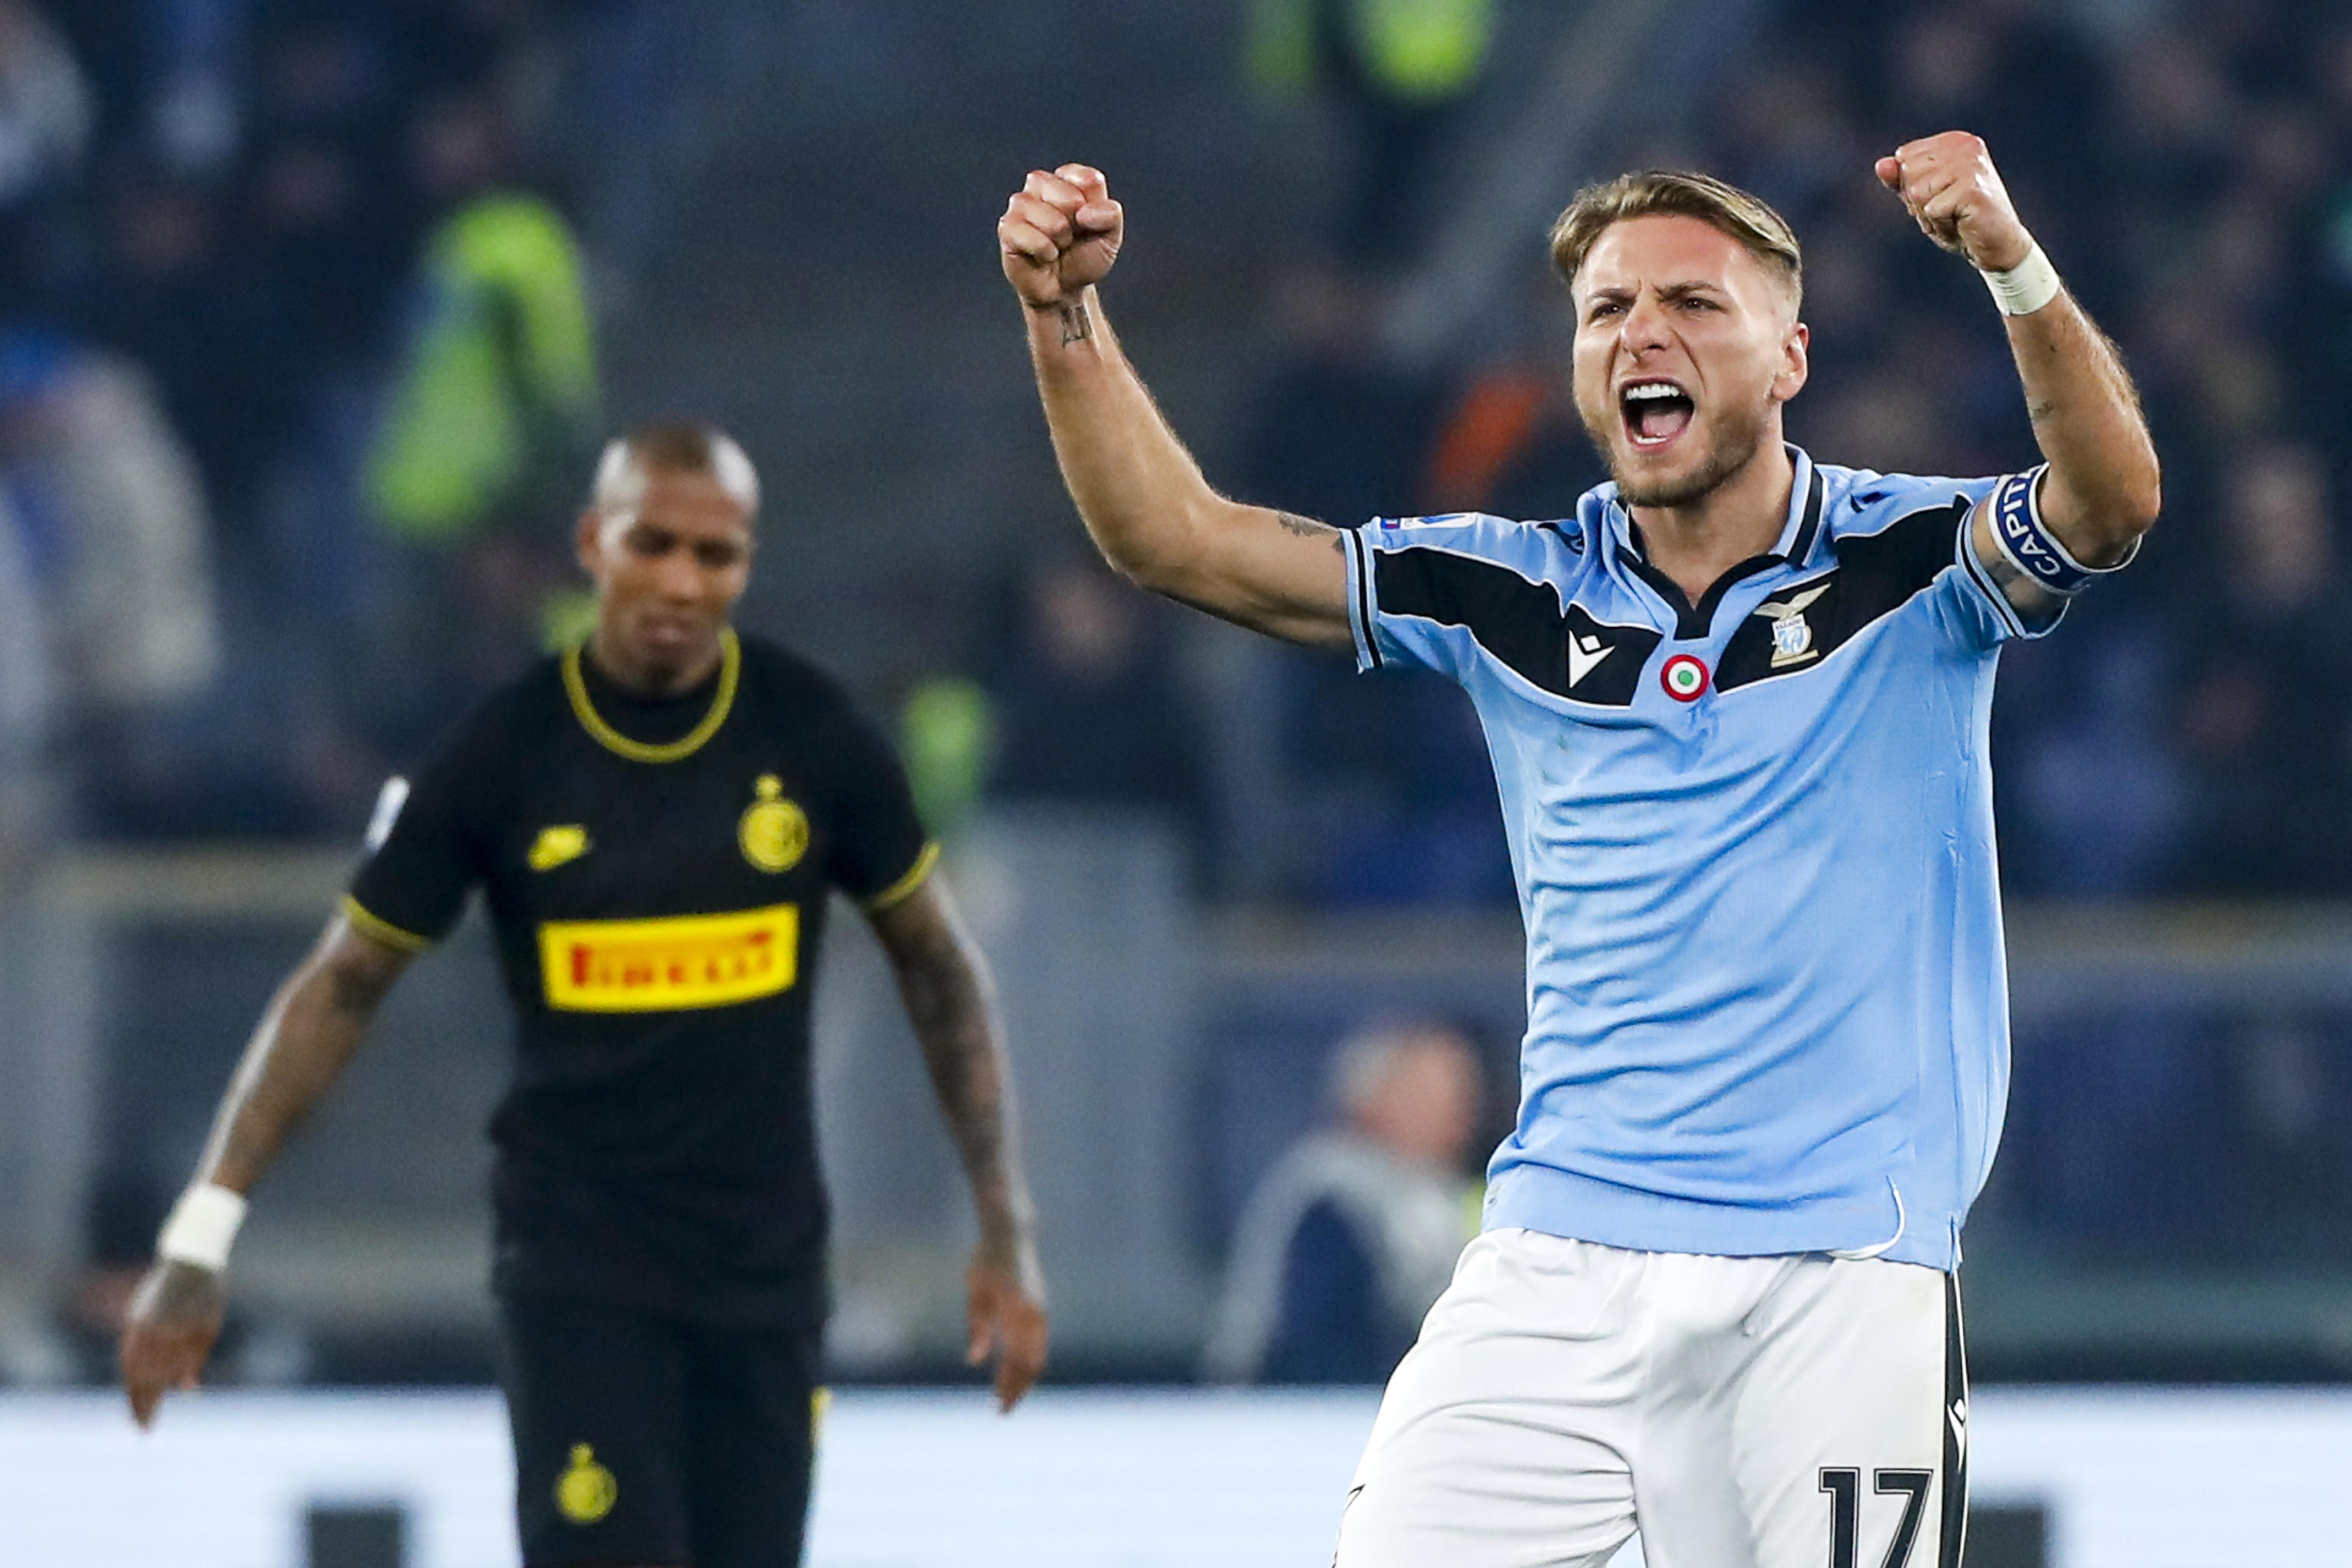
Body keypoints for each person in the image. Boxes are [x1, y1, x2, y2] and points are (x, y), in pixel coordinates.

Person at [999, 130, 2156, 1567]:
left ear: (1788, 358)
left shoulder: (1910, 558)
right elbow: (1180, 540)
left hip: (1840, 1272)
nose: (1640, 335)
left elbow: (2108, 507)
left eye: (1690, 303)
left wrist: (2008, 260)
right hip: (1557, 1265)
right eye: (1606, 310)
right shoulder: (1504, 587)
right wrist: (1063, 317)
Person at [119, 423, 1050, 1568]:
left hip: (764, 1280)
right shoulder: (506, 754)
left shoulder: (810, 737)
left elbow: (940, 971)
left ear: (744, 568)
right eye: (650, 543)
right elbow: (343, 983)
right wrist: (202, 1235)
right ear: (592, 545)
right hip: (581, 1271)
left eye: (714, 556)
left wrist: (1004, 1229)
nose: (679, 581)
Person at [1204, 1021, 1480, 1385]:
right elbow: (1314, 1337)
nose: (1454, 1107)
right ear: (1374, 1099)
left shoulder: (1454, 1192)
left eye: (1460, 1091)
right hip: (1299, 1410)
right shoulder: (1330, 1192)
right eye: (1427, 1090)